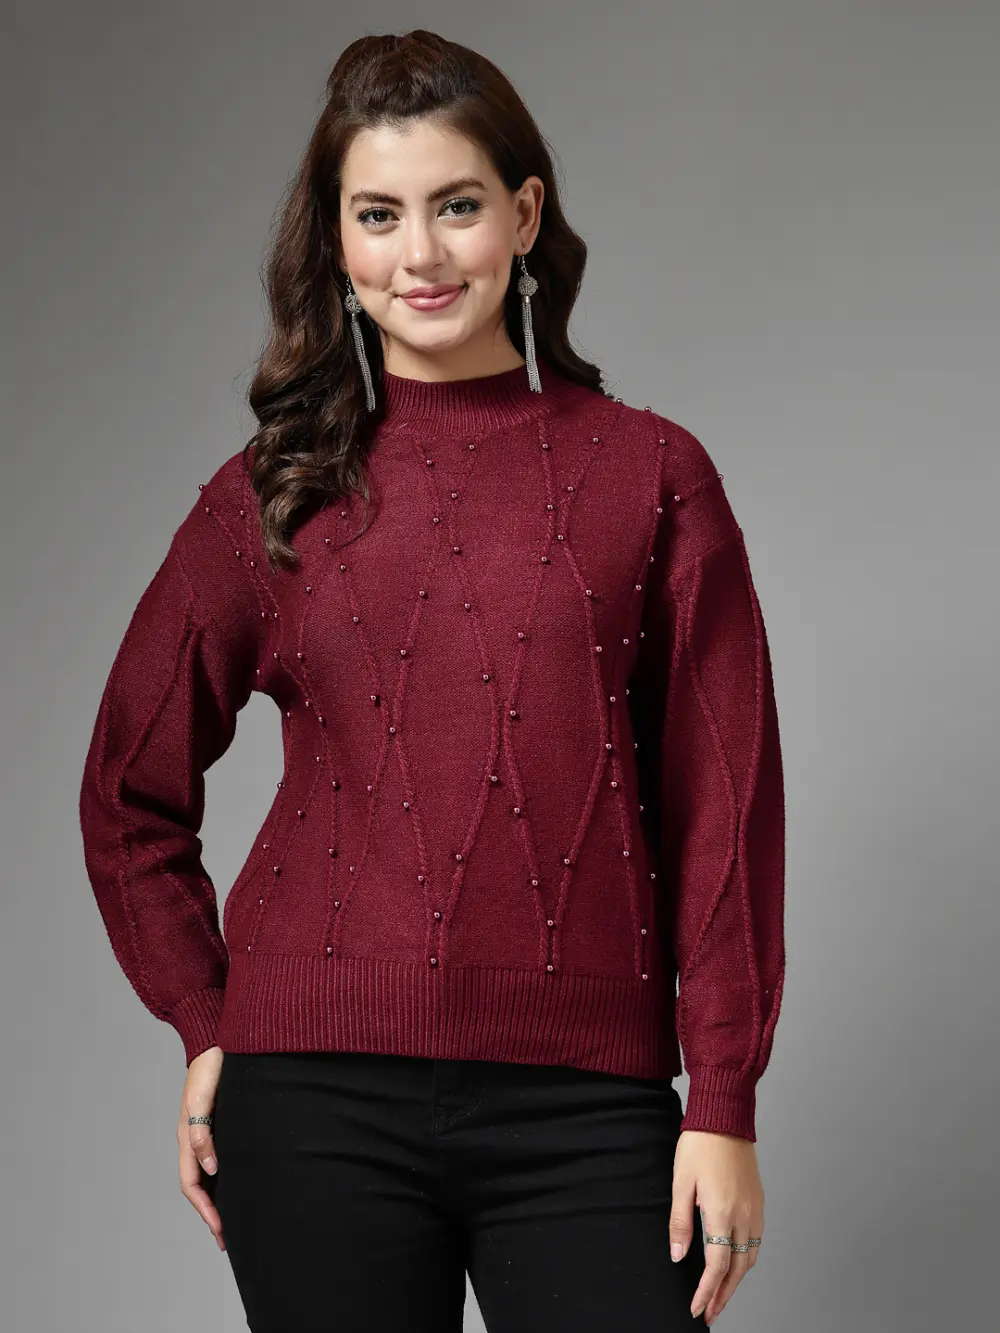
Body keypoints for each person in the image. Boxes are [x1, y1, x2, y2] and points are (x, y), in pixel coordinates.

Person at [78, 27, 785, 1333]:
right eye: (379, 214)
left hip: (590, 1104)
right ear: (338, 244)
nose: (421, 254)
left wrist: (725, 1100)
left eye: (456, 206)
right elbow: (128, 787)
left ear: (524, 216)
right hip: (310, 1099)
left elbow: (725, 817)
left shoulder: (655, 478)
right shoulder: (273, 496)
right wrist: (202, 1016)